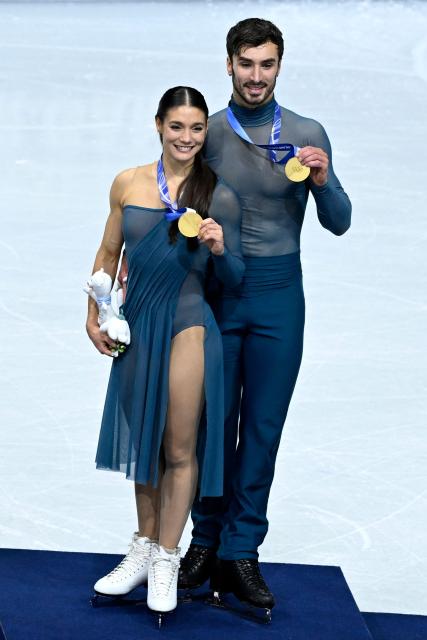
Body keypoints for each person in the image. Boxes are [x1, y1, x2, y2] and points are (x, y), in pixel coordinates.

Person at [177, 18, 352, 612]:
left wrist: (324, 181)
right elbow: (169, 199)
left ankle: (241, 549)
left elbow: (341, 220)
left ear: (279, 66)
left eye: (267, 65)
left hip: (281, 297)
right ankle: (203, 542)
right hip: (221, 294)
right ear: (228, 64)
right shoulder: (209, 133)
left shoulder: (305, 132)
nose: (256, 77)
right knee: (211, 426)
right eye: (246, 64)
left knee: (263, 430)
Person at [86, 86, 244, 617]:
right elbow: (109, 254)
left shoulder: (216, 193)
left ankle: (167, 558)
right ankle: (142, 545)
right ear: (158, 125)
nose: (187, 138)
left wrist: (221, 250)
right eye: (177, 126)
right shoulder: (128, 182)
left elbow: (236, 275)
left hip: (187, 326)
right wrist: (94, 311)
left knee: (178, 446)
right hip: (138, 327)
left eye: (197, 128)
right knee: (147, 443)